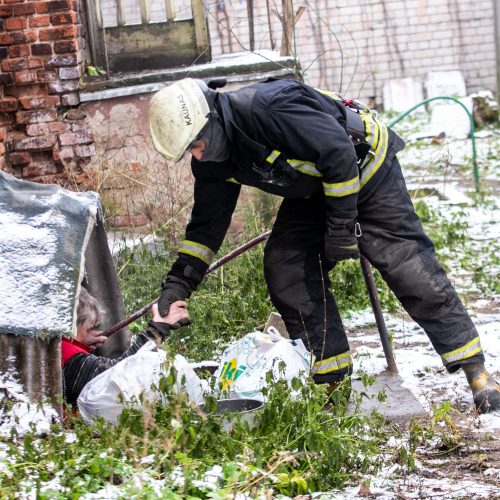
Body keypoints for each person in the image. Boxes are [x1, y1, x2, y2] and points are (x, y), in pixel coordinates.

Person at [148, 77, 499, 413]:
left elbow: (339, 154)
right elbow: (206, 228)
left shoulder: (271, 109)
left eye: (196, 144)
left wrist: (341, 229)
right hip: (315, 189)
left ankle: (476, 371)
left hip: (365, 168)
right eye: (188, 152)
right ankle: (332, 383)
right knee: (286, 267)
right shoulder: (212, 160)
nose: (196, 156)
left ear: (210, 122)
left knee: (408, 267)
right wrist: (178, 283)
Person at [62, 287, 189, 405]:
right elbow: (118, 374)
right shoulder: (67, 356)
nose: (91, 332)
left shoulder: (55, 346)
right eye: (88, 328)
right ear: (72, 327)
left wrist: (80, 342)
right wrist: (158, 328)